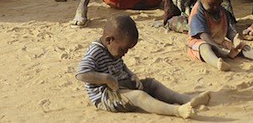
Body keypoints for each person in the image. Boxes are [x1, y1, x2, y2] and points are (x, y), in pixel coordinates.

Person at [76, 15, 210, 118]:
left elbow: (121, 66)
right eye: (123, 49)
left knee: (151, 84)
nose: (125, 53)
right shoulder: (95, 52)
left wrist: (131, 75)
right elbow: (81, 74)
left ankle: (185, 99)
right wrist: (106, 78)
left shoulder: (114, 50)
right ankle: (176, 111)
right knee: (139, 96)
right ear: (109, 40)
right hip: (106, 96)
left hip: (122, 85)